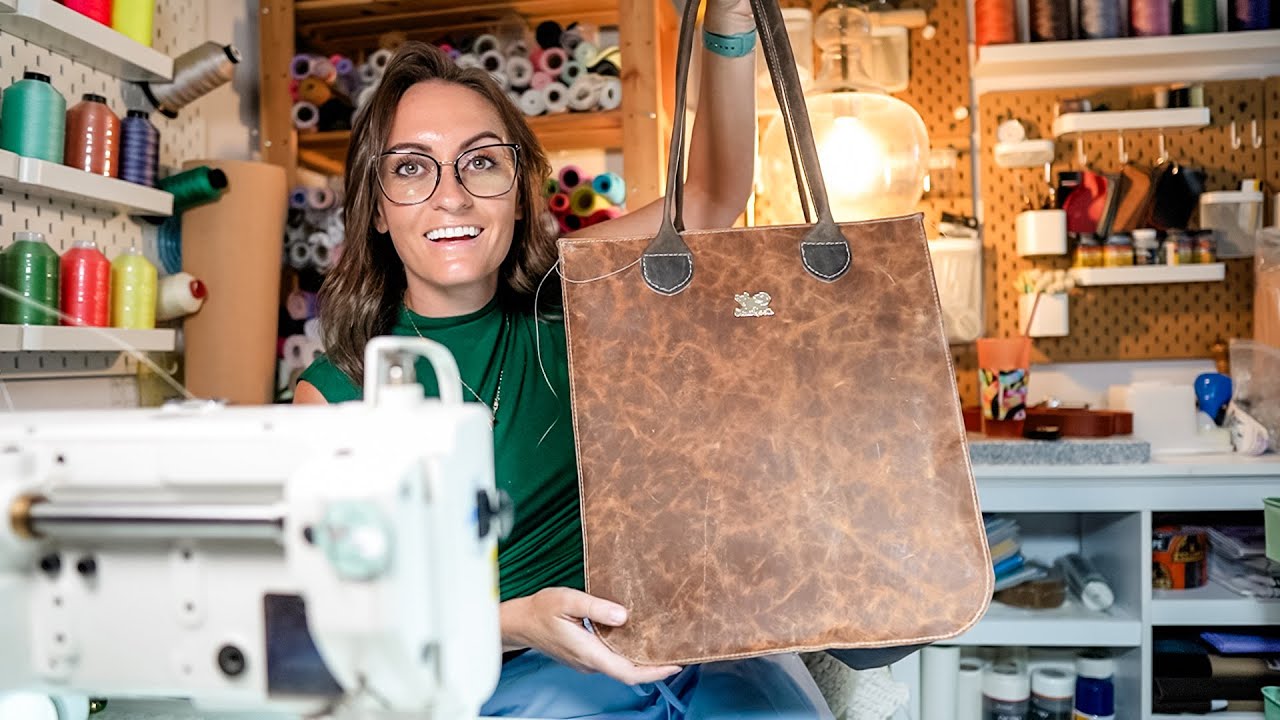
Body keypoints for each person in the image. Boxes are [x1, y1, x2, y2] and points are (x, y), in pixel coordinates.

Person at [294, 1, 834, 716]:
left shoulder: (577, 290)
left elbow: (709, 196)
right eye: (413, 168)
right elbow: (336, 621)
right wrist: (515, 622)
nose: (451, 194)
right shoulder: (336, 397)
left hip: (682, 650)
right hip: (510, 676)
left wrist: (728, 23)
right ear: (376, 207)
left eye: (482, 162)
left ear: (518, 193)